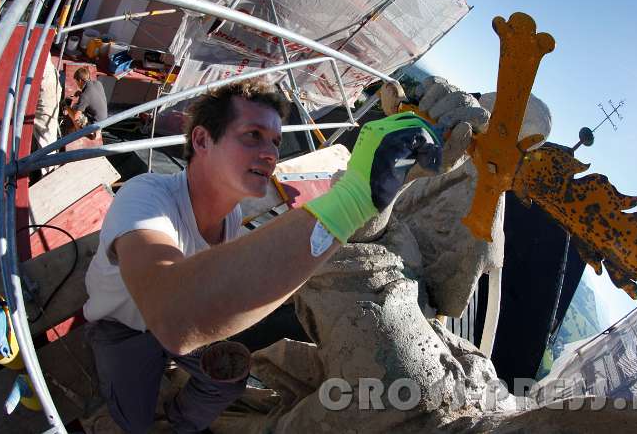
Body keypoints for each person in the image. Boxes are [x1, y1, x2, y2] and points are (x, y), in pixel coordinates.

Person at [83, 78, 441, 433]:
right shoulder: (145, 196)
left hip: (175, 325)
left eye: (275, 141)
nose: (271, 153)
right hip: (124, 331)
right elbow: (173, 318)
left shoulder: (232, 217)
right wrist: (352, 200)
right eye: (253, 135)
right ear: (203, 139)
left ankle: (178, 424)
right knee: (135, 421)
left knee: (228, 379)